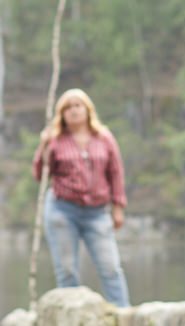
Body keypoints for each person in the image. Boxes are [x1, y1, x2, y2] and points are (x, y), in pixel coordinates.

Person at [32, 87, 130, 308]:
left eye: (78, 106)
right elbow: (40, 175)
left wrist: (118, 206)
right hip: (62, 209)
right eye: (68, 108)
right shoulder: (55, 140)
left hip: (97, 212)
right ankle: (71, 312)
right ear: (62, 114)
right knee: (66, 268)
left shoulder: (104, 138)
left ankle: (122, 310)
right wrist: (43, 146)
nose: (73, 111)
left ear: (88, 110)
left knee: (110, 266)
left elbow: (116, 172)